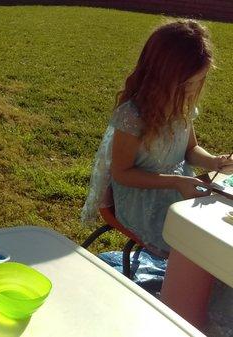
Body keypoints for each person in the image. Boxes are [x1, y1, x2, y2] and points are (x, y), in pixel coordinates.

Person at [81, 20, 233, 336]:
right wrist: (175, 182)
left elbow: (190, 151)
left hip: (176, 188)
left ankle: (199, 287)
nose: (196, 88)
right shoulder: (132, 115)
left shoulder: (181, 105)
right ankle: (188, 305)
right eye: (192, 81)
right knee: (197, 238)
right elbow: (122, 173)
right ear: (169, 75)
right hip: (140, 197)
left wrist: (214, 160)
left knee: (215, 226)